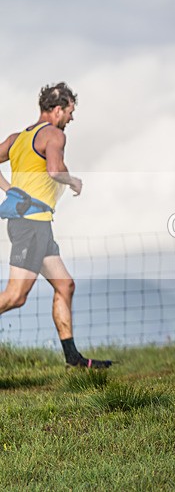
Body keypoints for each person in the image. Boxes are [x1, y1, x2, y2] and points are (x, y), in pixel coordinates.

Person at [0, 83, 111, 369]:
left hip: (36, 225)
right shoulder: (54, 134)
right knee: (15, 296)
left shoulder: (18, 139)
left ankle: (73, 359)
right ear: (58, 109)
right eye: (70, 112)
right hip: (30, 227)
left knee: (65, 285)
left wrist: (10, 189)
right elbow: (54, 169)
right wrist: (72, 180)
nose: (71, 119)